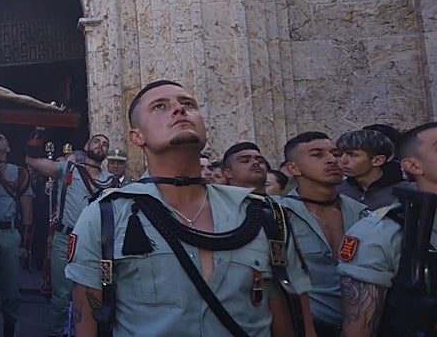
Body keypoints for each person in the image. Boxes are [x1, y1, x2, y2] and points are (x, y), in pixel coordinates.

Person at [67, 80, 313, 337]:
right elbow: (88, 323)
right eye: (160, 106)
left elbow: (287, 318)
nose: (179, 109)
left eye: (188, 104)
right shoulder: (106, 215)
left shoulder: (263, 215)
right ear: (137, 136)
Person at [338, 121, 437, 336]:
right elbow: (359, 328)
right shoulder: (379, 234)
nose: (343, 161)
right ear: (413, 166)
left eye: (352, 155)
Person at [276, 131, 367, 336]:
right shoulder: (277, 215)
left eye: (335, 153)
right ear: (293, 168)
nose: (332, 160)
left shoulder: (362, 214)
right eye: (317, 155)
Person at [24, 132, 115, 336]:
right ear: (86, 146)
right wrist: (36, 136)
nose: (100, 145)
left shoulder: (111, 182)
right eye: (96, 141)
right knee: (61, 297)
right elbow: (31, 161)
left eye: (105, 144)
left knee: (95, 294)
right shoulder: (67, 169)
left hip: (96, 245)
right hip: (65, 240)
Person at [0, 132, 31, 337]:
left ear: (9, 148)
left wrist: (25, 245)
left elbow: (27, 211)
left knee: (11, 289)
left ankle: (9, 329)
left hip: (9, 233)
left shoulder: (19, 173)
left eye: (1, 137)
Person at [336, 128, 409, 210]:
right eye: (340, 154)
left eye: (352, 155)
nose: (343, 160)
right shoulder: (337, 190)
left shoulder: (406, 193)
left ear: (378, 160)